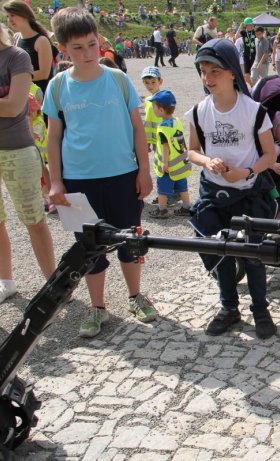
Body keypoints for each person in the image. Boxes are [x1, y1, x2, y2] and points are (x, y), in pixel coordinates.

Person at [44, 7, 157, 338]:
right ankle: (97, 307)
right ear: (63, 48)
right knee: (88, 247)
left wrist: (144, 170)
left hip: (123, 175)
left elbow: (138, 129)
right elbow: (53, 136)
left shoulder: (118, 79)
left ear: (99, 41)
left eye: (92, 44)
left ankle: (136, 296)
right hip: (79, 181)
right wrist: (55, 182)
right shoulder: (58, 86)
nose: (87, 53)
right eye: (77, 48)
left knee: (130, 239)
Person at [186, 38, 278, 339]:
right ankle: (229, 307)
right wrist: (207, 161)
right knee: (220, 251)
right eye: (203, 71)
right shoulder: (199, 111)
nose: (208, 78)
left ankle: (261, 309)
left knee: (253, 255)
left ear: (231, 72)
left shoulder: (254, 111)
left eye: (215, 71)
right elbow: (192, 150)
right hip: (215, 193)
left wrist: (247, 171)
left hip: (249, 192)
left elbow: (269, 155)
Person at [0, 22, 55, 305]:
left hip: (16, 148)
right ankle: (6, 281)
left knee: (34, 219)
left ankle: (53, 282)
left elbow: (13, 105)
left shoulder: (16, 56)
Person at [148, 90, 192, 219]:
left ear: (161, 110)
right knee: (182, 188)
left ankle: (162, 210)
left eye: (154, 107)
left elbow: (165, 147)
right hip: (180, 165)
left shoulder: (163, 128)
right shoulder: (176, 121)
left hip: (168, 167)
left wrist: (164, 163)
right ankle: (186, 207)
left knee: (162, 189)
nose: (153, 109)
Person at [3, 0, 56, 97]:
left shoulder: (41, 41)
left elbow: (44, 73)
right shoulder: (16, 37)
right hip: (24, 94)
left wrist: (16, 78)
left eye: (13, 15)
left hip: (42, 95)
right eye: (7, 16)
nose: (10, 19)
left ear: (24, 14)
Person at [141, 66, 163, 155]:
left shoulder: (161, 99)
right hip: (155, 139)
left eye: (153, 82)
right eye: (147, 83)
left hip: (162, 138)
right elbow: (148, 122)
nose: (150, 86)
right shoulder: (148, 100)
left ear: (160, 81)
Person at [234, 17, 255, 86]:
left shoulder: (254, 36)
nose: (252, 26)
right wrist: (240, 26)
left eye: (252, 25)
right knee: (245, 77)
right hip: (242, 60)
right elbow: (236, 38)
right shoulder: (240, 39)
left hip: (253, 59)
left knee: (253, 76)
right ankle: (249, 89)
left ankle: (252, 88)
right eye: (250, 25)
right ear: (246, 26)